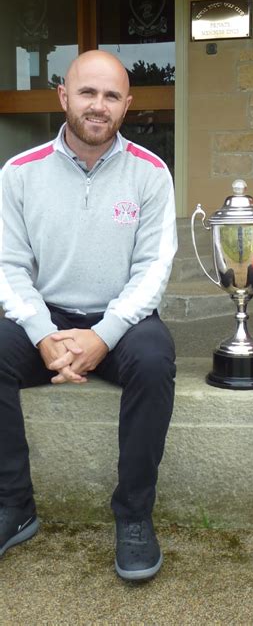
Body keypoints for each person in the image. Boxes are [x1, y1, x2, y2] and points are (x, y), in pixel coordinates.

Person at [0, 50, 177, 582]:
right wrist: (40, 334)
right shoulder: (18, 172)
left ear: (127, 104)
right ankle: (14, 505)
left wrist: (104, 335)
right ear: (63, 97)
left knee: (153, 362)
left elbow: (153, 268)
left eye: (110, 96)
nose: (97, 106)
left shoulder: (151, 173)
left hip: (123, 316)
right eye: (87, 93)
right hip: (46, 313)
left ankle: (134, 517)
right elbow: (8, 265)